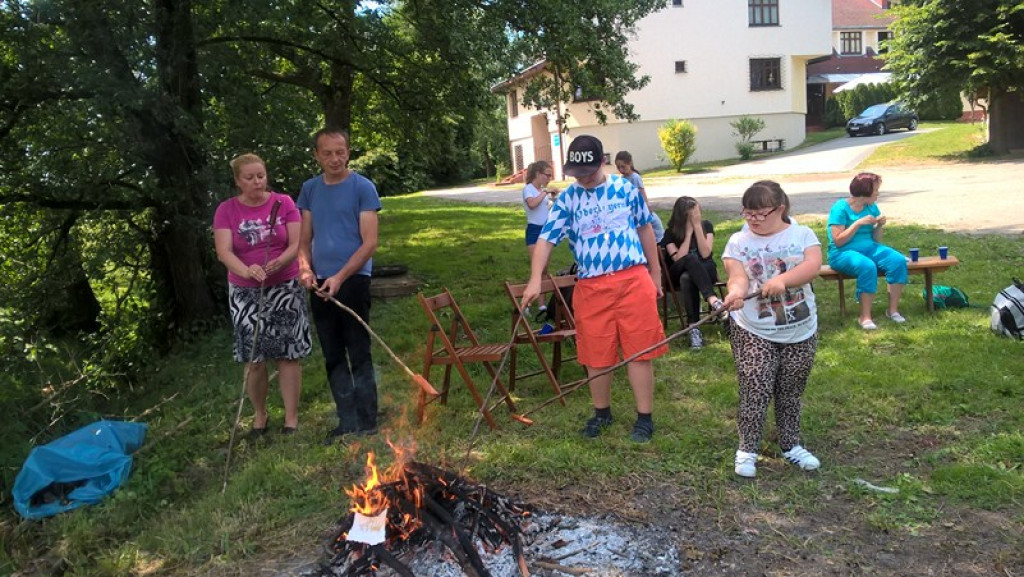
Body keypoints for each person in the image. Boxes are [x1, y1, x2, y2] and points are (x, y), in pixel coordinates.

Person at [523, 135, 667, 443]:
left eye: (588, 172)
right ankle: (602, 413)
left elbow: (644, 228)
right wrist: (537, 278)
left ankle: (644, 418)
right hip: (591, 285)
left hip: (632, 279)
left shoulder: (625, 188)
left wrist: (655, 272)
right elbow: (546, 239)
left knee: (640, 351)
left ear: (602, 162)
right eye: (577, 173)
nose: (583, 179)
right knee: (596, 353)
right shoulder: (568, 199)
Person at [721, 181, 822, 478]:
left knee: (791, 390)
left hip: (801, 329)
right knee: (755, 387)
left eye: (760, 213)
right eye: (747, 213)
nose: (752, 219)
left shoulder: (802, 234)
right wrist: (735, 293)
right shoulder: (738, 242)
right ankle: (747, 450)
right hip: (754, 329)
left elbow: (813, 265)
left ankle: (791, 445)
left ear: (780, 209)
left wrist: (784, 280)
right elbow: (737, 276)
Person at [213, 153, 311, 435]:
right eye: (250, 177)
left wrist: (280, 262)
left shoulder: (284, 203)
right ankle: (260, 414)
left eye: (261, 176)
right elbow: (224, 251)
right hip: (245, 292)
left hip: (284, 287)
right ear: (237, 181)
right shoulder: (226, 210)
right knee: (254, 359)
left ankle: (291, 418)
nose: (257, 182)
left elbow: (296, 242)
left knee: (288, 354)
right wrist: (246, 270)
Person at [297, 128, 382, 444]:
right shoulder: (309, 190)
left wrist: (340, 276)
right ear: (317, 155)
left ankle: (368, 418)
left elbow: (369, 242)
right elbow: (303, 241)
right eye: (327, 153)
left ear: (348, 152)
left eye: (340, 151)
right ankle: (346, 419)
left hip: (353, 279)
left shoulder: (363, 188)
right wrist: (306, 270)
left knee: (358, 348)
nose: (335, 158)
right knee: (332, 352)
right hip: (319, 284)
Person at [826, 172, 907, 330]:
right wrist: (857, 224)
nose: (877, 194)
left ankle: (892, 311)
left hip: (869, 247)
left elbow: (876, 240)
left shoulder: (871, 207)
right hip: (842, 252)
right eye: (876, 190)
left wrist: (879, 225)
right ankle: (865, 317)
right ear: (865, 192)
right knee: (867, 266)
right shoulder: (840, 208)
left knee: (897, 261)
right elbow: (838, 240)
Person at [661, 196, 723, 349]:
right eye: (692, 214)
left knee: (688, 278)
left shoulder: (706, 226)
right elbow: (678, 258)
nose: (696, 216)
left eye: (697, 212)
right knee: (689, 260)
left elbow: (705, 253)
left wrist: (697, 228)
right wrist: (688, 235)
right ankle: (713, 299)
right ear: (682, 215)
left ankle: (693, 328)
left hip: (704, 270)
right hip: (677, 270)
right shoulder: (670, 233)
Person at [614, 150, 665, 242]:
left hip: (642, 211)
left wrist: (646, 208)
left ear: (630, 163)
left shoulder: (635, 177)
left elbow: (642, 194)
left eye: (623, 166)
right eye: (618, 167)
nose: (621, 170)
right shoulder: (623, 179)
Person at [522, 160, 558, 261]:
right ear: (537, 174)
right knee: (538, 266)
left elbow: (545, 210)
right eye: (547, 175)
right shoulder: (528, 189)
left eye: (550, 176)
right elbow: (532, 204)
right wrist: (545, 192)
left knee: (545, 268)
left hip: (546, 229)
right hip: (534, 230)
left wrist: (553, 199)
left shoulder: (541, 191)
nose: (549, 179)